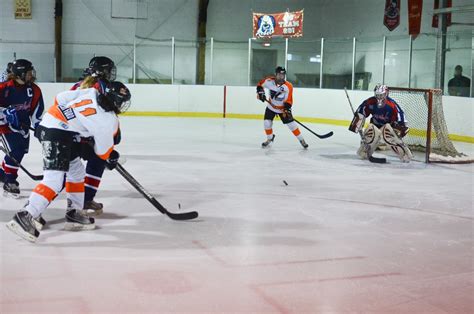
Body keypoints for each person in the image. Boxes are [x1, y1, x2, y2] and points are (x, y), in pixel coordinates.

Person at [5, 81, 131, 242]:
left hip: (50, 126)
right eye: (121, 101)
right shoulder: (108, 120)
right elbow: (102, 152)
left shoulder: (91, 92)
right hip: (59, 136)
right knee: (54, 180)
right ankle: (25, 215)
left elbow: (60, 98)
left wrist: (72, 120)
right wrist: (111, 157)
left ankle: (74, 214)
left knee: (76, 172)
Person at [71, 56, 119, 215]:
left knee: (69, 170)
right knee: (97, 163)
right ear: (102, 71)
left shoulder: (77, 85)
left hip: (73, 133)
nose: (111, 73)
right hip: (89, 134)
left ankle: (80, 201)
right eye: (109, 70)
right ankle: (84, 200)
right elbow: (105, 114)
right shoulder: (102, 86)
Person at [0, 59, 44, 197]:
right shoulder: (3, 88)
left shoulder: (34, 90)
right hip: (4, 126)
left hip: (22, 126)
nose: (31, 75)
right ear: (19, 74)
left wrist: (39, 127)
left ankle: (3, 173)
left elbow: (37, 111)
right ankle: (10, 181)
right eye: (28, 73)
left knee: (20, 152)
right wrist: (4, 113)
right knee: (15, 151)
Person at [349, 84, 412, 162]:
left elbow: (401, 116)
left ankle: (404, 154)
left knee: (387, 132)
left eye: (381, 95)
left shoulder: (391, 105)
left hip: (388, 127)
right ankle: (365, 151)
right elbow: (361, 111)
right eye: (378, 95)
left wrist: (402, 127)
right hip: (375, 126)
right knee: (371, 131)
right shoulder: (370, 102)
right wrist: (357, 121)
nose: (379, 98)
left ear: (386, 94)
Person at [256, 66, 308, 149]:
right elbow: (260, 84)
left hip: (282, 109)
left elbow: (289, 100)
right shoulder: (269, 81)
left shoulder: (288, 86)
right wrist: (260, 92)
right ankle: (270, 138)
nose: (281, 76)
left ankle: (301, 140)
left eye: (283, 75)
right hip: (271, 108)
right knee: (267, 123)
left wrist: (287, 109)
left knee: (292, 125)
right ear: (275, 74)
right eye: (279, 74)